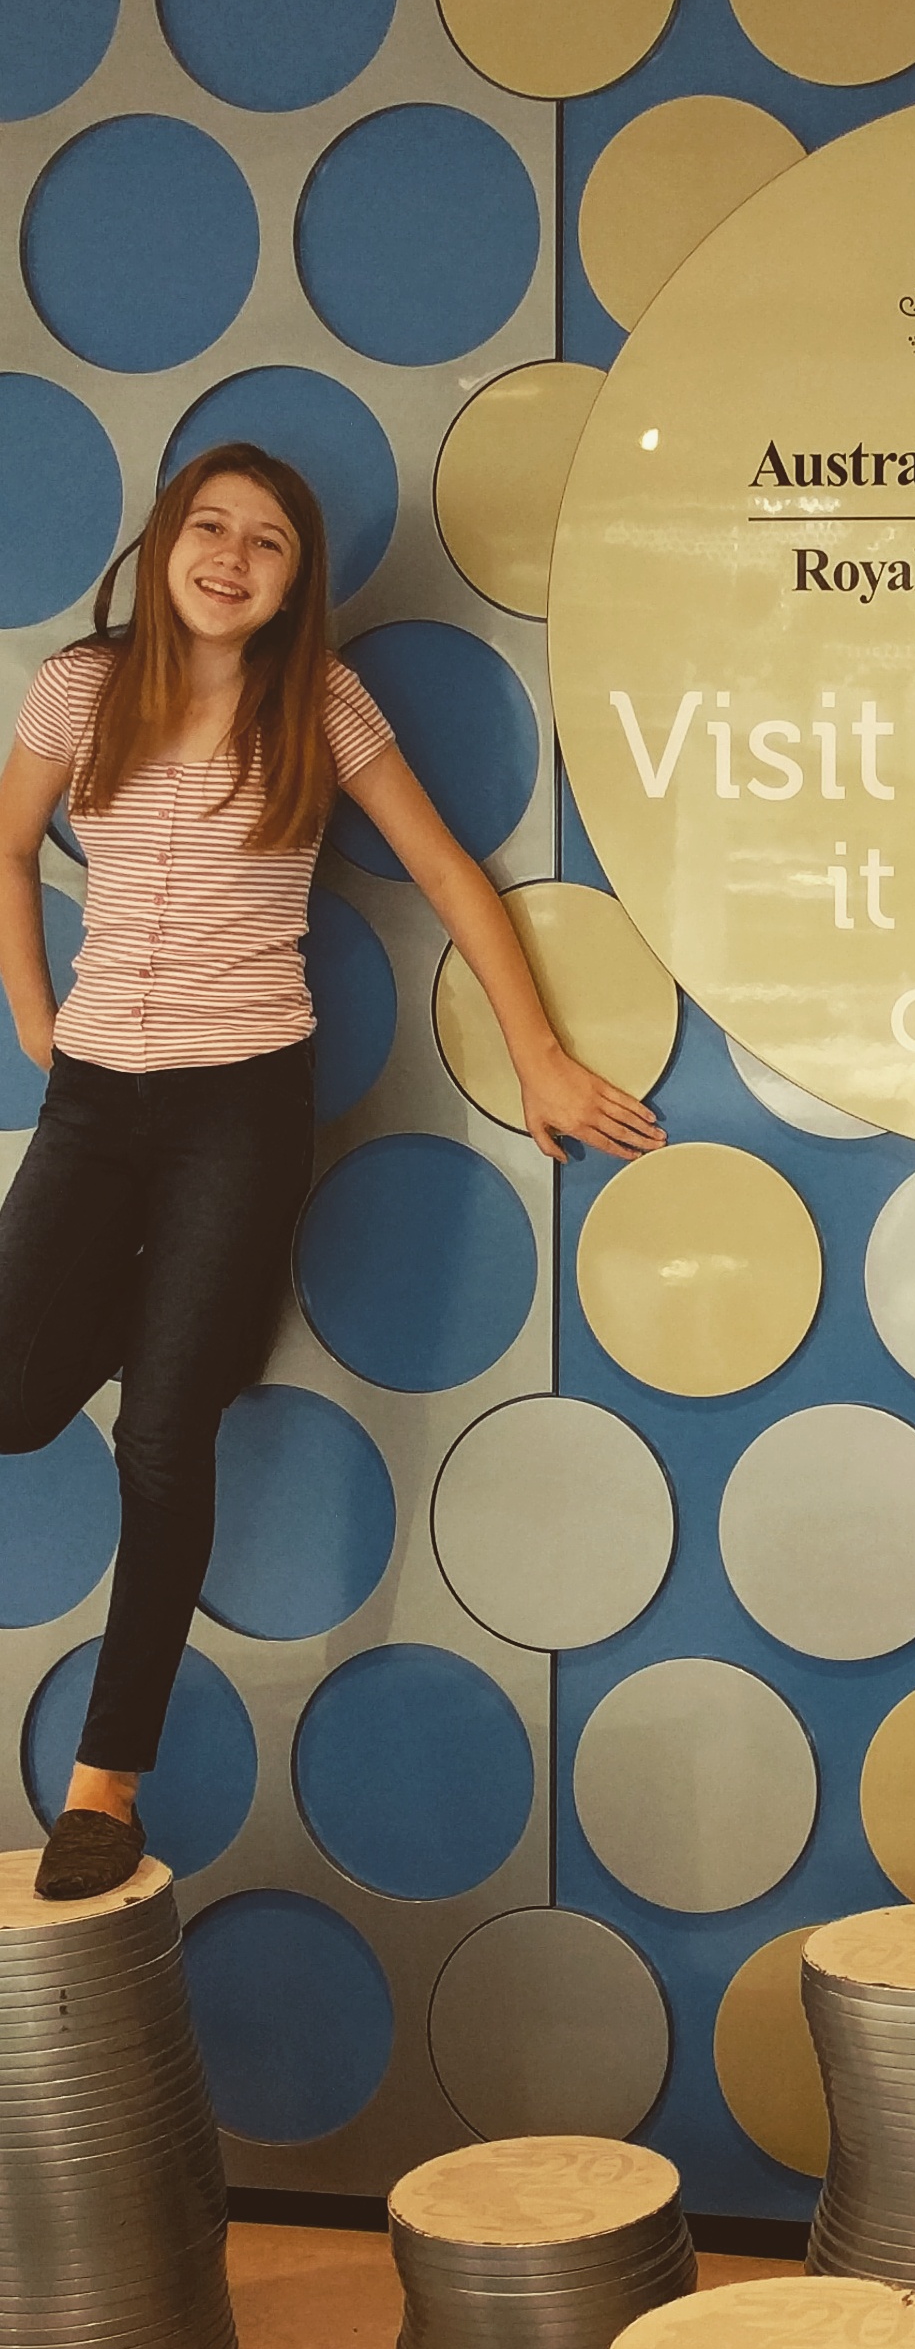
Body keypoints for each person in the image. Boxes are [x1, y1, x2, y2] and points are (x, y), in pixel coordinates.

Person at [0, 444, 666, 1903]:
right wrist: (39, 1019)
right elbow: (5, 848)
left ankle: (105, 1784)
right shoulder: (79, 688)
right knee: (12, 1395)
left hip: (240, 1105)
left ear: (296, 582)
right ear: (164, 542)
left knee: (164, 1435)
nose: (232, 558)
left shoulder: (321, 702)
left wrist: (541, 1056)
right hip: (95, 1101)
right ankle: (193, 1312)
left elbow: (446, 871)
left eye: (268, 544)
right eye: (211, 527)